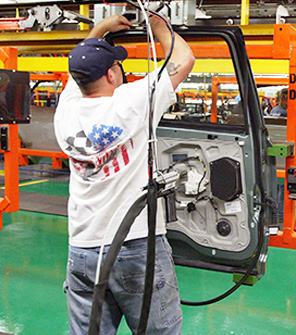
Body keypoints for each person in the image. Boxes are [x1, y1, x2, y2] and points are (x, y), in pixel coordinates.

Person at [54, 14, 195, 335]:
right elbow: (184, 59)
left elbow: (77, 67)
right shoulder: (131, 102)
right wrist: (157, 23)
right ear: (111, 73)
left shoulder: (67, 110)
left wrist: (101, 29)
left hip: (82, 250)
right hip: (136, 248)